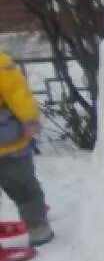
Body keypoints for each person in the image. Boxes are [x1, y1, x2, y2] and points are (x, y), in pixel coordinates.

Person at [0, 51, 53, 246]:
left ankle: (37, 225)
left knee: (24, 188)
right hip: (10, 142)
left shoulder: (1, 64)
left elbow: (17, 93)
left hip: (10, 146)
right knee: (24, 187)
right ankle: (37, 224)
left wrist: (29, 120)